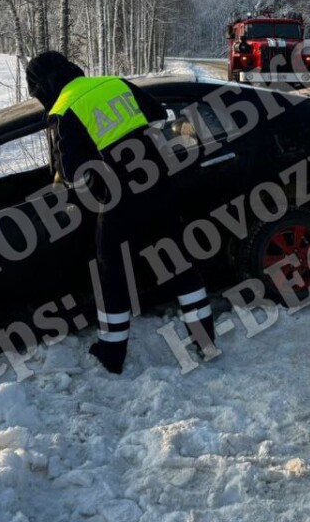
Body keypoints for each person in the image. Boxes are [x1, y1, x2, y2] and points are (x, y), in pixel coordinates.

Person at [25, 51, 216, 374]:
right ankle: (205, 338)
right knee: (178, 259)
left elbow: (72, 172)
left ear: (43, 86)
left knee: (111, 272)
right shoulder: (113, 83)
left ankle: (112, 354)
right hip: (157, 183)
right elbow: (157, 112)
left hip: (119, 200)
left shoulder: (63, 109)